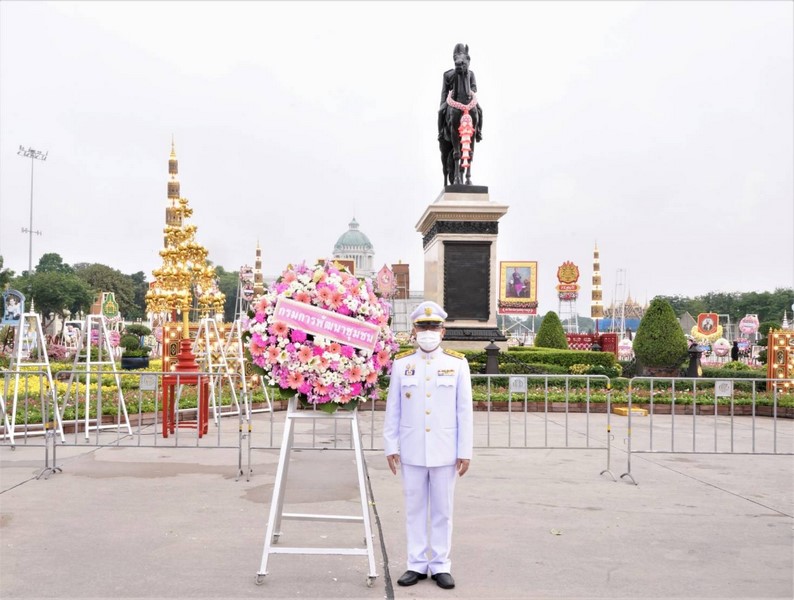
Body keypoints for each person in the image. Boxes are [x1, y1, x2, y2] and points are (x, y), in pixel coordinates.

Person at [383, 300, 473, 590]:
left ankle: (441, 565)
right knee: (415, 508)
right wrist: (390, 446)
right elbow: (393, 409)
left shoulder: (457, 364)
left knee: (443, 511)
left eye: (433, 326)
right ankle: (416, 563)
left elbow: (464, 412)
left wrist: (464, 451)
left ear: (443, 331)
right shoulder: (402, 364)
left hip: (445, 450)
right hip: (411, 449)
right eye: (423, 326)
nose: (428, 331)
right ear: (414, 329)